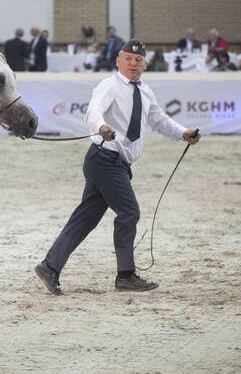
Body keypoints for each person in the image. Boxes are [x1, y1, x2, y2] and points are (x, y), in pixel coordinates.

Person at [34, 39, 201, 295]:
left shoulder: (145, 92)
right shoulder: (109, 85)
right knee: (129, 213)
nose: (133, 64)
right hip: (105, 160)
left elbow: (158, 120)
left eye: (138, 60)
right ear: (118, 61)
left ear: (145, 64)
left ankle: (49, 266)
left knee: (85, 219)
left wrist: (183, 133)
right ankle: (125, 275)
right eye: (128, 59)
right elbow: (93, 111)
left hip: (113, 163)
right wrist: (101, 127)